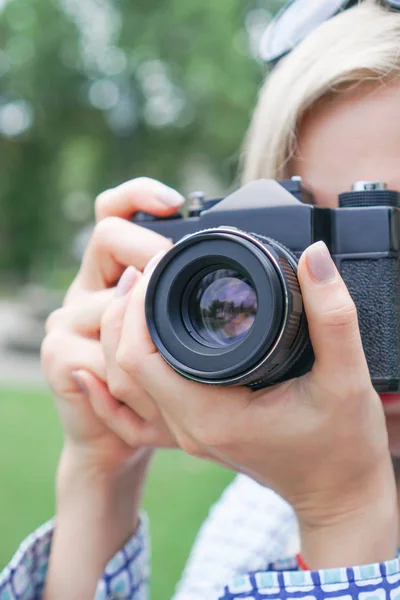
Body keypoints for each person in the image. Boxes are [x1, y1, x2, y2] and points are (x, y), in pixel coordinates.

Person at [2, 0, 400, 598]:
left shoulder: (300, 494)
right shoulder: (259, 512)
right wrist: (100, 474)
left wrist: (342, 513)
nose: (341, 309)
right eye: (319, 249)